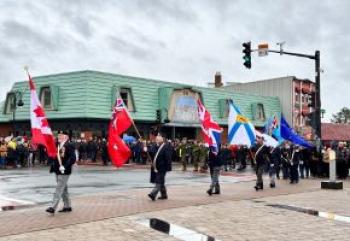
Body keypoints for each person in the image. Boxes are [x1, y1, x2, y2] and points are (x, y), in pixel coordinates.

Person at [46, 132, 76, 214]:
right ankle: (67, 206)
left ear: (66, 137)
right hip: (57, 170)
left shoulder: (69, 145)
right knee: (64, 189)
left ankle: (53, 207)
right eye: (58, 135)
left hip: (64, 171)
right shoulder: (57, 145)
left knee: (59, 188)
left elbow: (73, 158)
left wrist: (65, 166)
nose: (59, 136)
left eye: (61, 135)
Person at [148, 135, 172, 201]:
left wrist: (168, 167)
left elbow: (168, 158)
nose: (156, 141)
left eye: (157, 140)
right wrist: (146, 149)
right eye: (156, 140)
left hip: (163, 167)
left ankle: (153, 194)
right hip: (157, 167)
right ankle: (164, 195)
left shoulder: (165, 146)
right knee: (161, 181)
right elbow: (152, 152)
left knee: (158, 180)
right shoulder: (157, 146)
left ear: (161, 140)